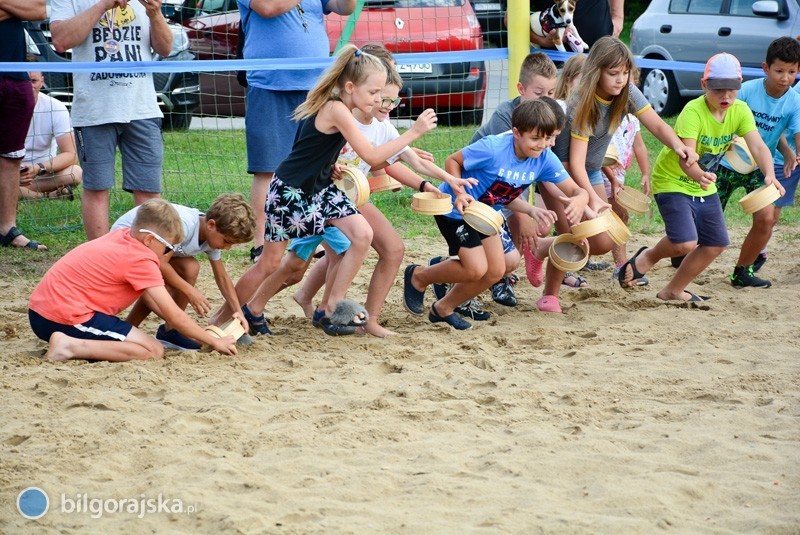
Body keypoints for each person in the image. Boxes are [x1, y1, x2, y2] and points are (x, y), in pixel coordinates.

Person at [218, 45, 437, 336]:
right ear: (350, 87)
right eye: (373, 93)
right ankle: (222, 318)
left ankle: (331, 307)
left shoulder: (343, 107)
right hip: (291, 192)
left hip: (321, 190)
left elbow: (350, 153)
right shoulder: (335, 108)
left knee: (361, 235)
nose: (377, 100)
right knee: (272, 264)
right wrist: (414, 131)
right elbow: (371, 157)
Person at [403, 99, 590, 329]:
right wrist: (459, 192)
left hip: (485, 216)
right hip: (456, 209)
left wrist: (581, 199)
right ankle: (419, 276)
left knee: (496, 271)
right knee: (475, 268)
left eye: (547, 137)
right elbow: (452, 160)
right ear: (516, 133)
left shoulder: (544, 158)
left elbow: (575, 190)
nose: (542, 145)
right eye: (535, 138)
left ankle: (443, 308)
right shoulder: (493, 148)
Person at [617, 53, 780, 302]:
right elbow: (687, 157)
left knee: (715, 244)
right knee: (685, 243)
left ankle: (672, 290)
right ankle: (648, 256)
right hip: (673, 179)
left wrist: (769, 174)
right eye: (718, 89)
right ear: (705, 86)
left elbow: (758, 147)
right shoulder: (693, 111)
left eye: (732, 89)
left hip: (704, 182)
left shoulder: (741, 110)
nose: (726, 96)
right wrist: (699, 175)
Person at [547, 36, 698, 306]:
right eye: (613, 73)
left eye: (625, 72)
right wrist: (592, 199)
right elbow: (575, 162)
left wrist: (679, 146)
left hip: (589, 169)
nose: (620, 79)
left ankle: (539, 249)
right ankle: (550, 296)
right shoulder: (584, 102)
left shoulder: (626, 92)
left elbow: (657, 125)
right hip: (560, 172)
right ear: (597, 72)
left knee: (602, 241)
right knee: (574, 236)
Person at [28, 199, 238, 362]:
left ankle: (76, 341)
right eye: (167, 248)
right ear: (149, 239)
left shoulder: (121, 236)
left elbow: (159, 306)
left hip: (44, 310)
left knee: (144, 342)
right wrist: (213, 341)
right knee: (152, 350)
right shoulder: (141, 259)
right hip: (62, 317)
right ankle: (68, 346)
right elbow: (174, 316)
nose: (169, 254)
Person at [238, 0, 357, 264]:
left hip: (314, 84)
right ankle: (262, 243)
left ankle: (308, 238)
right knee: (267, 167)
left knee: (313, 165)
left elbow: (344, 7)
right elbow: (268, 8)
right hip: (271, 83)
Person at [50, 0, 174, 240]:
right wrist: (104, 5)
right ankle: (99, 261)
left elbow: (165, 48)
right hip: (94, 111)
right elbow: (61, 41)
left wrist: (155, 12)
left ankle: (144, 259)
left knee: (149, 191)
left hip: (142, 109)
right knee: (96, 187)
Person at [468, 52, 558, 308]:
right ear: (521, 89)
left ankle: (508, 270)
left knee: (523, 236)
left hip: (511, 188)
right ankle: (497, 278)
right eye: (539, 93)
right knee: (513, 232)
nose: (546, 100)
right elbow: (502, 172)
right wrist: (526, 214)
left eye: (551, 94)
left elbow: (539, 167)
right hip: (485, 186)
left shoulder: (547, 118)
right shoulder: (505, 117)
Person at [111, 193, 256, 350]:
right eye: (227, 242)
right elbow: (160, 263)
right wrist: (190, 291)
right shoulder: (185, 226)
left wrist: (237, 311)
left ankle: (170, 329)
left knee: (190, 267)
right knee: (159, 289)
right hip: (127, 245)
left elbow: (222, 277)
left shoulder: (212, 236)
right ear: (211, 225)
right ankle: (172, 325)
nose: (227, 248)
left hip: (153, 252)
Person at [712, 37, 800, 289]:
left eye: (791, 72)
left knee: (766, 218)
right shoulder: (747, 91)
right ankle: (681, 250)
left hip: (761, 167)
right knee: (705, 217)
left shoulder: (794, 101)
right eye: (779, 71)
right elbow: (724, 119)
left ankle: (743, 271)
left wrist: (789, 152)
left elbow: (784, 132)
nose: (785, 77)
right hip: (726, 163)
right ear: (765, 68)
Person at [0, 0, 48, 251]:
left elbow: (39, 10)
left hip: (15, 76)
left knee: (11, 156)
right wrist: (15, 8)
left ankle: (7, 229)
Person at [603, 66, 651, 276]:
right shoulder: (604, 114)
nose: (621, 83)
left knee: (616, 217)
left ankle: (582, 257)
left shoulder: (633, 118)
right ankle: (621, 266)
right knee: (619, 216)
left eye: (627, 80)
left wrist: (645, 173)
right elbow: (594, 150)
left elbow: (639, 146)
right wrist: (610, 174)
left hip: (618, 176)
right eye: (616, 76)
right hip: (602, 173)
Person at [19, 70, 83, 201]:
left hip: (43, 173)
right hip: (8, 171)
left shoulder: (56, 107)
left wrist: (38, 168)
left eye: (33, 81)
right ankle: (44, 197)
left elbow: (72, 155)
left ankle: (17, 193)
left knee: (75, 172)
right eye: (22, 81)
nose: (28, 86)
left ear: (42, 81)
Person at [519, 0, 623, 51]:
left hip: (601, 56)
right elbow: (510, 18)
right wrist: (542, 41)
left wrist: (618, 18)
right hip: (557, 66)